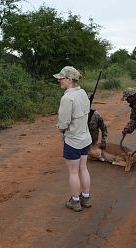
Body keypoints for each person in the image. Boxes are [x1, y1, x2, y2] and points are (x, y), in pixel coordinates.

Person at [54, 66, 92, 212]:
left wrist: (60, 128)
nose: (59, 81)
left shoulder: (67, 98)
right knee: (83, 168)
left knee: (73, 172)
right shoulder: (83, 93)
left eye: (61, 78)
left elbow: (63, 124)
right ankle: (86, 198)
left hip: (73, 141)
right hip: (85, 139)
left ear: (69, 79)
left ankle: (75, 201)